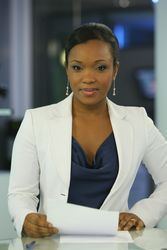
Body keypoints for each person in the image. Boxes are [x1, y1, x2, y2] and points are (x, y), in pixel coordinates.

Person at [8, 23, 167, 238]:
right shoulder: (37, 121)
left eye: (100, 67)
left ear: (115, 69)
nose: (88, 77)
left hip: (114, 242)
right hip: (53, 243)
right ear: (67, 70)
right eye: (77, 67)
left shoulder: (138, 121)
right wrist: (26, 218)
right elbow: (20, 194)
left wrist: (141, 215)